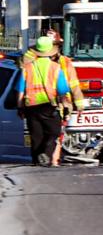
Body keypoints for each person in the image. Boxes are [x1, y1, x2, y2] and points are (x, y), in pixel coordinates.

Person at [17, 36, 73, 166]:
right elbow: (62, 91)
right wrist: (66, 107)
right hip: (49, 106)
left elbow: (20, 91)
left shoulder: (27, 68)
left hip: (31, 107)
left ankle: (37, 161)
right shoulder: (55, 68)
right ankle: (46, 154)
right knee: (54, 133)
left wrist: (20, 108)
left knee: (36, 136)